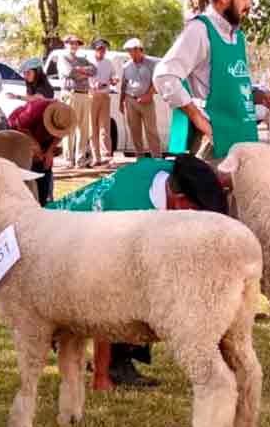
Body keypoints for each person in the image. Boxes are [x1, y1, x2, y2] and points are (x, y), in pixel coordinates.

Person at [46, 154, 228, 389]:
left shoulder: (170, 172)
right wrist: (101, 376)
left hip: (74, 238)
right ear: (181, 201)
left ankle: (117, 359)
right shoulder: (134, 218)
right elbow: (106, 290)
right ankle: (110, 364)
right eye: (199, 212)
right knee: (136, 289)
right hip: (59, 250)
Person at [153, 0, 270, 165]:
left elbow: (234, 85)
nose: (249, 5)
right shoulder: (199, 30)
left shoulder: (237, 36)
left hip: (244, 138)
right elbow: (164, 76)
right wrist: (197, 118)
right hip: (216, 144)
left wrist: (261, 97)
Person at [6, 98, 77, 206]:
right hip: (19, 133)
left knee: (46, 165)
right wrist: (35, 146)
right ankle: (25, 202)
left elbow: (60, 134)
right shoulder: (36, 109)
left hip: (41, 137)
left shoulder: (65, 117)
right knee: (31, 166)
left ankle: (45, 201)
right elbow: (20, 126)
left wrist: (50, 151)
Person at [57, 35, 96, 168]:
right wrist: (83, 73)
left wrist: (80, 70)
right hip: (71, 94)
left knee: (83, 129)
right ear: (66, 44)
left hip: (85, 95)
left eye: (76, 43)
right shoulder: (63, 58)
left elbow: (94, 70)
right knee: (69, 128)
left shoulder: (82, 59)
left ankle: (80, 159)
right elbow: (70, 72)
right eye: (71, 43)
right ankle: (68, 159)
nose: (74, 45)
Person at [120, 37, 161, 158]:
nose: (130, 53)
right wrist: (121, 102)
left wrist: (149, 95)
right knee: (134, 130)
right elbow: (124, 84)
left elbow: (157, 82)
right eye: (129, 51)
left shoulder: (152, 63)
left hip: (147, 101)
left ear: (139, 50)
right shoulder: (126, 65)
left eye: (132, 50)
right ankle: (140, 158)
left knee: (151, 131)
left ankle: (156, 158)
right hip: (130, 100)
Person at [88, 38, 116, 167]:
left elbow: (113, 76)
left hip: (105, 96)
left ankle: (107, 156)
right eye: (99, 48)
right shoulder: (88, 62)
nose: (102, 51)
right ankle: (96, 157)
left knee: (105, 127)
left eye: (104, 48)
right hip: (91, 96)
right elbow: (83, 79)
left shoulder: (109, 63)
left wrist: (114, 80)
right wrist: (93, 84)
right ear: (94, 49)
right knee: (92, 127)